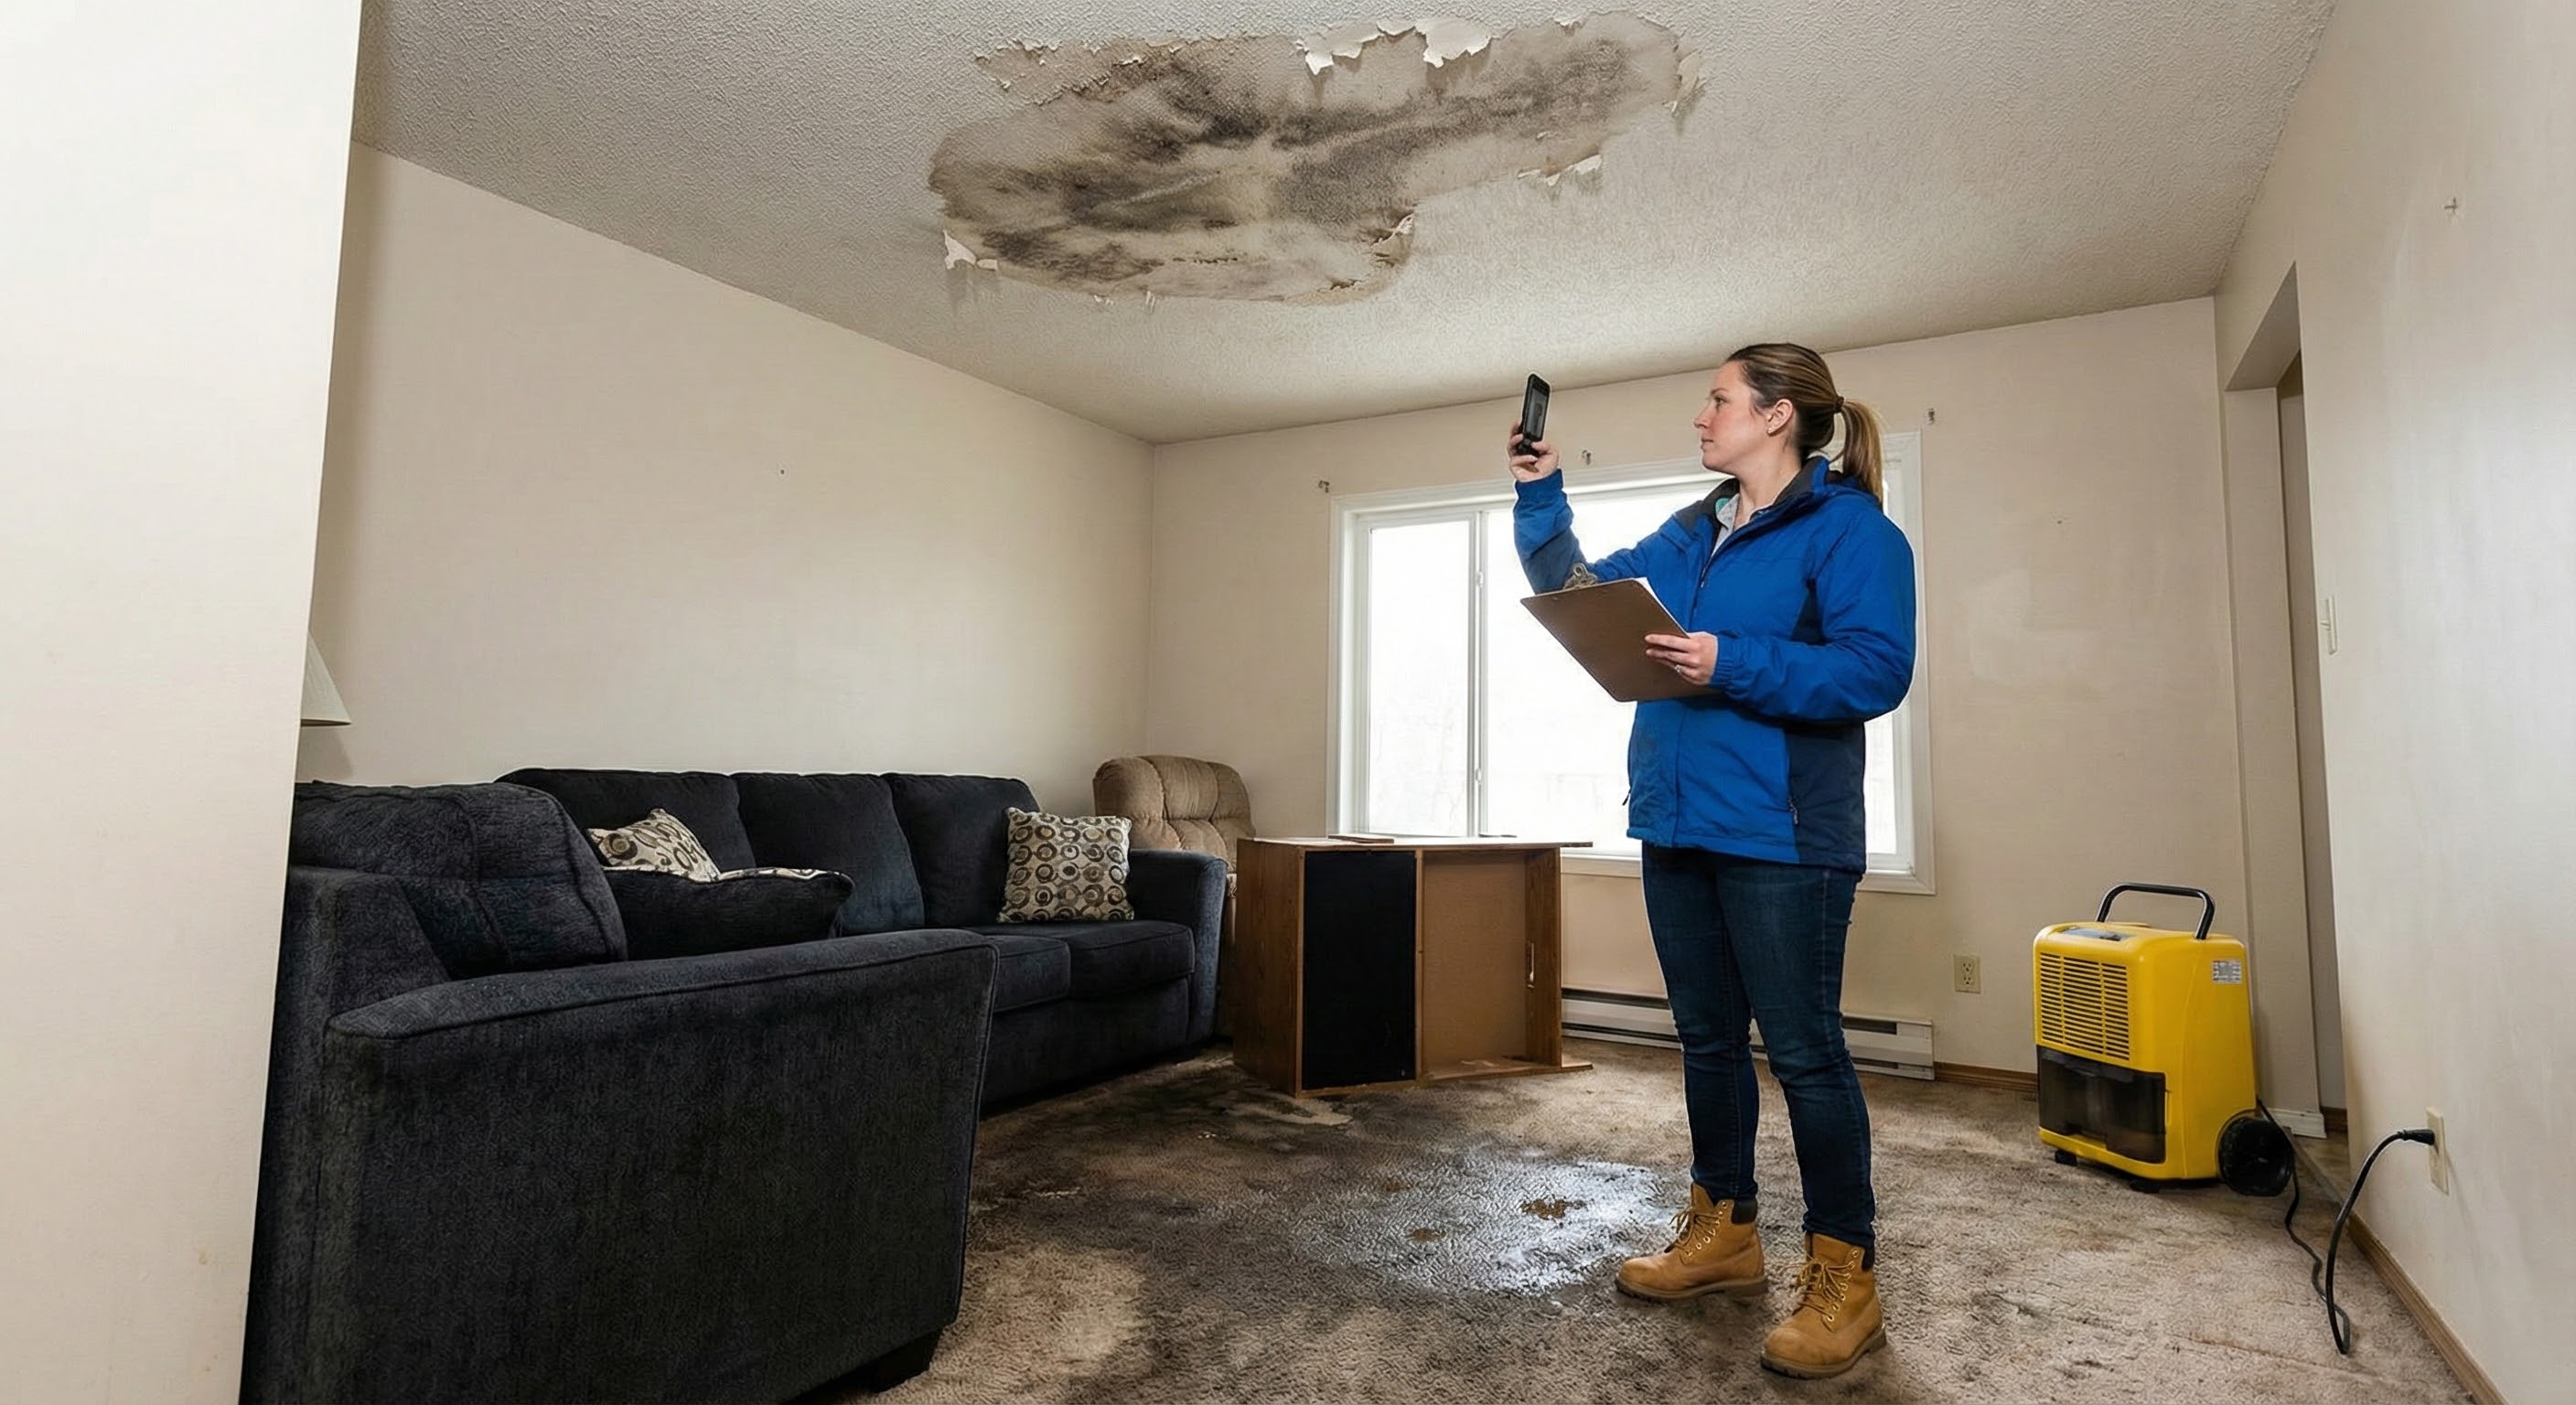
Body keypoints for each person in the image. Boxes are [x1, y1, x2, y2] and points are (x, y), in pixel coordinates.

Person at [1508, 344, 1916, 1379]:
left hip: (1783, 837)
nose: (1702, 417)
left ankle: (1844, 1275)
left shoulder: (1853, 532)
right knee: (1704, 1040)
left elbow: (1875, 672)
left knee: (1806, 1053)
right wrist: (1539, 496)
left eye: (1719, 400)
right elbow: (1583, 590)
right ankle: (1725, 1230)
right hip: (1677, 822)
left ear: (1777, 417)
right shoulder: (1694, 529)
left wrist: (1731, 661)